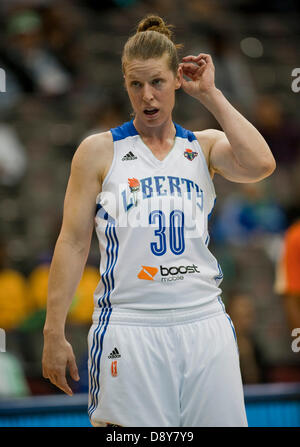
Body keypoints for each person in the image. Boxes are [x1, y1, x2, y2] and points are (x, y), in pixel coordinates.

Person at [42, 15, 276, 427]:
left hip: (204, 322)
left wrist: (212, 95)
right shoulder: (99, 151)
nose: (147, 96)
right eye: (136, 84)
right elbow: (73, 242)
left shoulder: (202, 146)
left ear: (176, 81)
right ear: (126, 85)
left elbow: (261, 164)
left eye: (158, 83)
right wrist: (53, 331)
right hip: (130, 325)